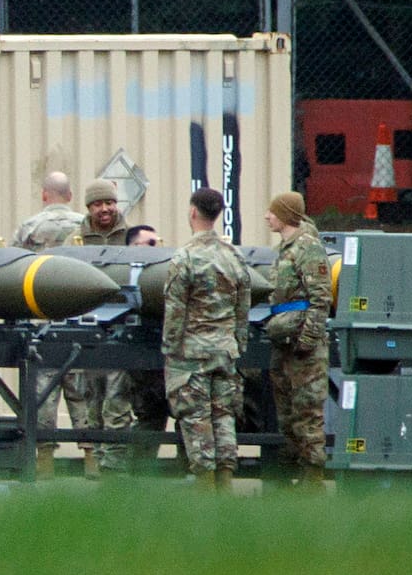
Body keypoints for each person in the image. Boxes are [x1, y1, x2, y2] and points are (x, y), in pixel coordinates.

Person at [162, 188, 252, 491]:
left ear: (192, 212)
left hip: (192, 355)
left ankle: (205, 490)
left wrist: (170, 350)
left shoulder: (185, 257)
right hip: (225, 352)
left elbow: (175, 310)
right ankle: (225, 485)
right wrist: (238, 345)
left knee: (196, 420)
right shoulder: (234, 255)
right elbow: (243, 308)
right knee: (224, 416)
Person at [10, 171, 92, 478]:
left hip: (42, 321)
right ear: (70, 196)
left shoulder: (30, 228)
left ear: (45, 195)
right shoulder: (84, 225)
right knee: (81, 389)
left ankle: (44, 459)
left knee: (44, 389)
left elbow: (14, 271)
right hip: (80, 320)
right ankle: (91, 455)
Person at [63, 178, 133, 476]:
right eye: (97, 204)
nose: (105, 209)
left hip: (122, 329)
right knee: (91, 397)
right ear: (89, 208)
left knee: (118, 398)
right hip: (89, 329)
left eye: (109, 203)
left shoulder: (132, 236)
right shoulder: (74, 241)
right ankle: (96, 459)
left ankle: (115, 465)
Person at [264, 191, 330, 490]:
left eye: (272, 212)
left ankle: (312, 479)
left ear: (286, 215)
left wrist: (308, 339)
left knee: (307, 413)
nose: (268, 217)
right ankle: (296, 474)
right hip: (284, 343)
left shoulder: (308, 247)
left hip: (303, 347)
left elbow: (320, 298)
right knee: (287, 415)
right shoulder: (286, 248)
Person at [125, 223, 175, 472]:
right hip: (143, 359)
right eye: (151, 244)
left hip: (167, 355)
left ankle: (189, 472)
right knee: (150, 417)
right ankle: (138, 475)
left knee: (185, 415)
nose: (158, 249)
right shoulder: (127, 274)